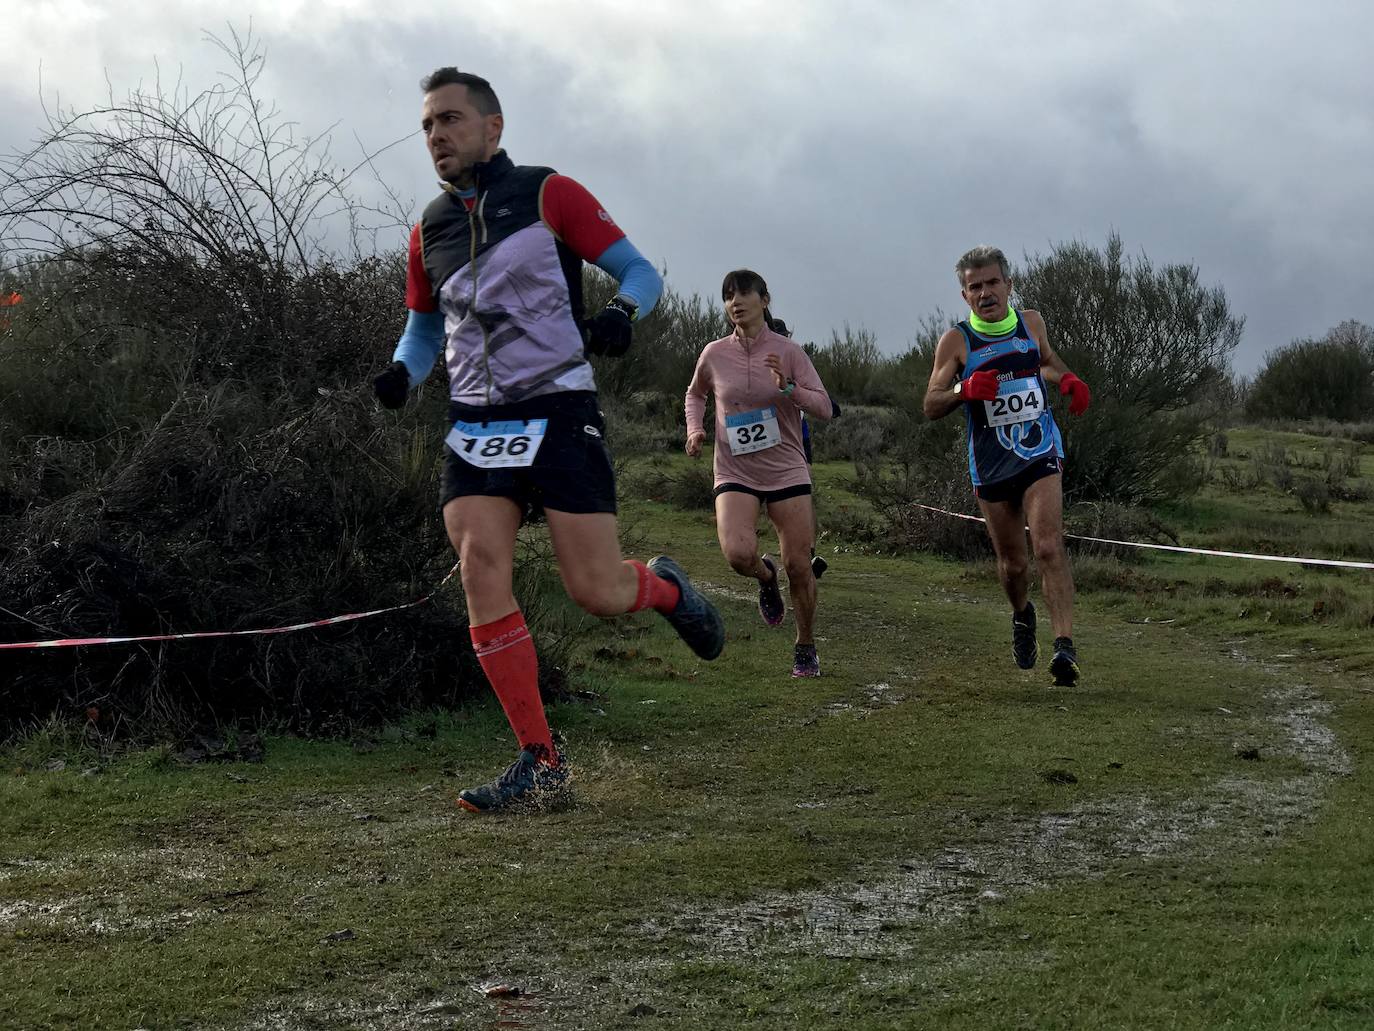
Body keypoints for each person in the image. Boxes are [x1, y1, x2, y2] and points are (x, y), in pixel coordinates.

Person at [373, 68, 725, 813]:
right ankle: (542, 761)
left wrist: (624, 311)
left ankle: (662, 586)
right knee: (479, 565)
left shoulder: (547, 193)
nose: (437, 135)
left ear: (492, 128)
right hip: (475, 424)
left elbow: (635, 269)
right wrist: (403, 375)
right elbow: (425, 326)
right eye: (428, 125)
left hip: (559, 408)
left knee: (595, 591)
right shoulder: (428, 228)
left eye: (451, 120)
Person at [922, 245, 1092, 687]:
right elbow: (931, 402)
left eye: (993, 282)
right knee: (1013, 566)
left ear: (1008, 284)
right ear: (964, 295)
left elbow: (1047, 362)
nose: (985, 292)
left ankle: (1065, 648)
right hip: (993, 465)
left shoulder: (1030, 322)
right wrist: (963, 389)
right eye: (975, 286)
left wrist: (1068, 380)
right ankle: (1022, 614)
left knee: (1049, 546)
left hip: (1039, 452)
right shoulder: (957, 341)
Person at [685, 270, 833, 677]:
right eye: (728, 295)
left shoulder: (789, 352)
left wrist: (788, 389)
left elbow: (823, 407)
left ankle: (805, 644)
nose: (736, 301)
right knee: (737, 554)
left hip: (786, 467)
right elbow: (695, 393)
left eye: (745, 293)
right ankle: (765, 577)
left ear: (765, 300)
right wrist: (695, 429)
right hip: (735, 468)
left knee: (800, 565)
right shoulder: (713, 353)